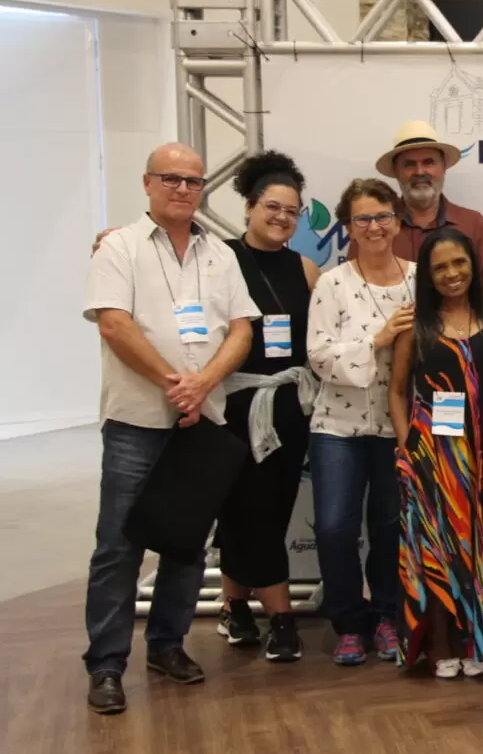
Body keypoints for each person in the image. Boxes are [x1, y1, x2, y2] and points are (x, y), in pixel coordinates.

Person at [82, 143, 259, 714]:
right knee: (119, 545)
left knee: (186, 541)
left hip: (200, 420)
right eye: (171, 178)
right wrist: (173, 382)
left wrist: (202, 384)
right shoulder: (119, 247)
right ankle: (107, 664)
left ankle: (167, 645)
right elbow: (114, 324)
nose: (183, 189)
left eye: (193, 181)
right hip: (137, 421)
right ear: (147, 183)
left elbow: (241, 329)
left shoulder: (220, 255)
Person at [388, 228, 483, 678]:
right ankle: (440, 643)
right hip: (434, 456)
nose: (451, 273)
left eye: (459, 262)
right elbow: (397, 391)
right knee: (440, 547)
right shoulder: (416, 326)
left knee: (479, 544)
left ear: (473, 265)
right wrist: (407, 448)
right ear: (427, 275)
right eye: (439, 267)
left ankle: (475, 640)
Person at [213, 151, 321, 663]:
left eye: (292, 211)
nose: (282, 217)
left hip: (290, 408)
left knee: (269, 510)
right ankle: (281, 619)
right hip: (234, 407)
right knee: (243, 509)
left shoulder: (306, 268)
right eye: (272, 207)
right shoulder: (218, 258)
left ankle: (234, 607)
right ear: (250, 206)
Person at [307, 178, 416, 666]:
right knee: (334, 528)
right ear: (348, 227)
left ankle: (388, 615)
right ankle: (349, 623)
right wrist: (378, 339)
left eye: (383, 216)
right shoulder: (332, 284)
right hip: (337, 427)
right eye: (363, 219)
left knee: (391, 526)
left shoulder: (420, 280)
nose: (374, 227)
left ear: (397, 220)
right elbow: (319, 356)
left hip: (399, 426)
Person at [348, 120, 483, 309]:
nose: (420, 171)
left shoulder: (474, 225)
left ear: (443, 167)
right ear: (396, 172)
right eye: (409, 164)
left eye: (429, 162)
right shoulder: (372, 231)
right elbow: (354, 294)